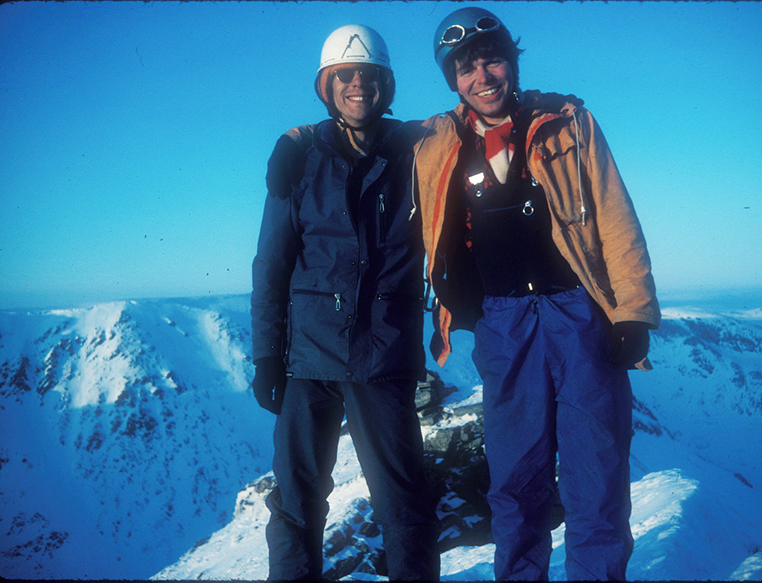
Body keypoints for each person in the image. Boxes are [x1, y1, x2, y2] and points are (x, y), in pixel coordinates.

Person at [413, 7, 661, 581]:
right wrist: (303, 139)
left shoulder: (566, 122)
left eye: (492, 59)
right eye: (466, 68)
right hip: (503, 325)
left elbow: (615, 215)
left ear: (512, 61)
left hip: (578, 312)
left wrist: (632, 312)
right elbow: (362, 133)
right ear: (453, 79)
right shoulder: (434, 141)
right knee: (515, 478)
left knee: (594, 475)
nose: (483, 76)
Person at [250, 24, 439, 581]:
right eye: (344, 76)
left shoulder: (417, 150)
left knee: (403, 503)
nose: (358, 85)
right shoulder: (302, 161)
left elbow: (466, 123)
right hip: (308, 357)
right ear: (326, 86)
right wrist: (266, 355)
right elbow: (272, 264)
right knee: (296, 502)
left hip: (382, 358)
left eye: (370, 75)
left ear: (387, 84)